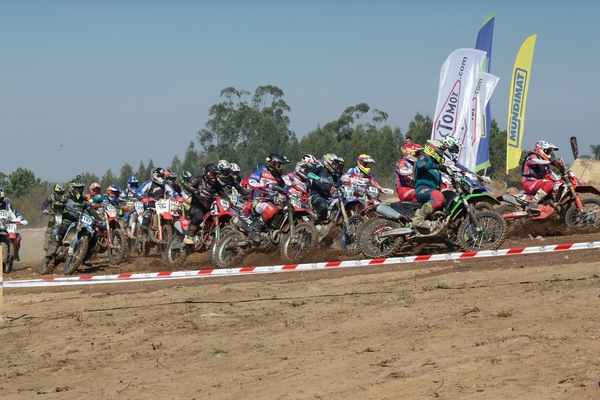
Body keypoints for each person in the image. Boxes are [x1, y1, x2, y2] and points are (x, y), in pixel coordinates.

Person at [50, 180, 102, 266]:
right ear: (72, 188)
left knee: (95, 234)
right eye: (78, 189)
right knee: (64, 226)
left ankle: (86, 257)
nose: (79, 191)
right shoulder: (66, 197)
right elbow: (55, 204)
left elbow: (91, 210)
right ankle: (54, 246)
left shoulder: (84, 200)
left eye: (81, 189)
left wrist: (100, 220)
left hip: (80, 220)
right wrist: (60, 205)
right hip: (68, 218)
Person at [182, 163, 228, 244]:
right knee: (199, 216)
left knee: (222, 217)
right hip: (196, 207)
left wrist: (231, 202)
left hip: (209, 208)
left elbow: (223, 194)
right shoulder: (198, 179)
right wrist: (197, 191)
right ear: (206, 172)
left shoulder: (216, 183)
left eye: (215, 175)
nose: (213, 176)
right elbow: (188, 187)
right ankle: (189, 235)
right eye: (212, 174)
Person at [246, 152, 290, 234]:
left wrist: (290, 194)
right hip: (259, 201)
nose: (280, 168)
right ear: (272, 163)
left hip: (272, 202)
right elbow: (251, 182)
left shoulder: (278, 178)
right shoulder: (262, 171)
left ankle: (273, 231)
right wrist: (266, 185)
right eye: (278, 165)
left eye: (281, 166)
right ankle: (256, 229)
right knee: (271, 209)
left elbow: (285, 189)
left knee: (283, 210)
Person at [412, 139, 448, 233]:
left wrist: (448, 191)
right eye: (440, 151)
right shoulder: (424, 157)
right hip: (422, 188)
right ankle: (418, 219)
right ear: (432, 149)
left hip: (431, 190)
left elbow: (440, 183)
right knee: (438, 197)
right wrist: (436, 166)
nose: (442, 154)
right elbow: (421, 165)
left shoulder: (436, 167)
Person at [136, 167, 178, 240]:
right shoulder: (149, 183)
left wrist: (178, 197)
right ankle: (143, 234)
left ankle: (170, 235)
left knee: (174, 216)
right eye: (159, 176)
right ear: (154, 176)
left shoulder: (165, 184)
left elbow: (173, 192)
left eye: (162, 176)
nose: (161, 178)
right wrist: (142, 198)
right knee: (147, 216)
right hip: (151, 206)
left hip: (163, 206)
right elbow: (139, 191)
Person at [522, 140, 561, 215]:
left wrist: (561, 179)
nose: (549, 153)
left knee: (555, 184)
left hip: (536, 184)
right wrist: (550, 162)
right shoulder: (532, 156)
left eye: (550, 152)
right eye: (548, 151)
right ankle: (533, 203)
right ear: (541, 149)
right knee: (549, 183)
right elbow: (535, 161)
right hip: (528, 182)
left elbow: (551, 175)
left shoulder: (544, 165)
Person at [307, 153, 345, 221]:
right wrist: (318, 178)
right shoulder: (320, 168)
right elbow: (309, 174)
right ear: (327, 161)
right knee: (324, 205)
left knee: (337, 204)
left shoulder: (332, 174)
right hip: (316, 195)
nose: (334, 166)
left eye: (335, 164)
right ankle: (313, 219)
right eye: (333, 163)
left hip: (327, 198)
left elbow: (339, 182)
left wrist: (341, 185)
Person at [0, 186, 28, 261]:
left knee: (18, 237)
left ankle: (15, 253)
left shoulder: (9, 208)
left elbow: (14, 216)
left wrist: (20, 221)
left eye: (1, 199)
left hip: (6, 227)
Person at [41, 183, 67, 251]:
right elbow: (44, 204)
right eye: (60, 193)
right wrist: (44, 209)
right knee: (49, 228)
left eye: (62, 192)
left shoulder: (65, 197)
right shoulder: (51, 197)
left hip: (63, 214)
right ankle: (46, 242)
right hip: (53, 214)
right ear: (56, 192)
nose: (61, 194)